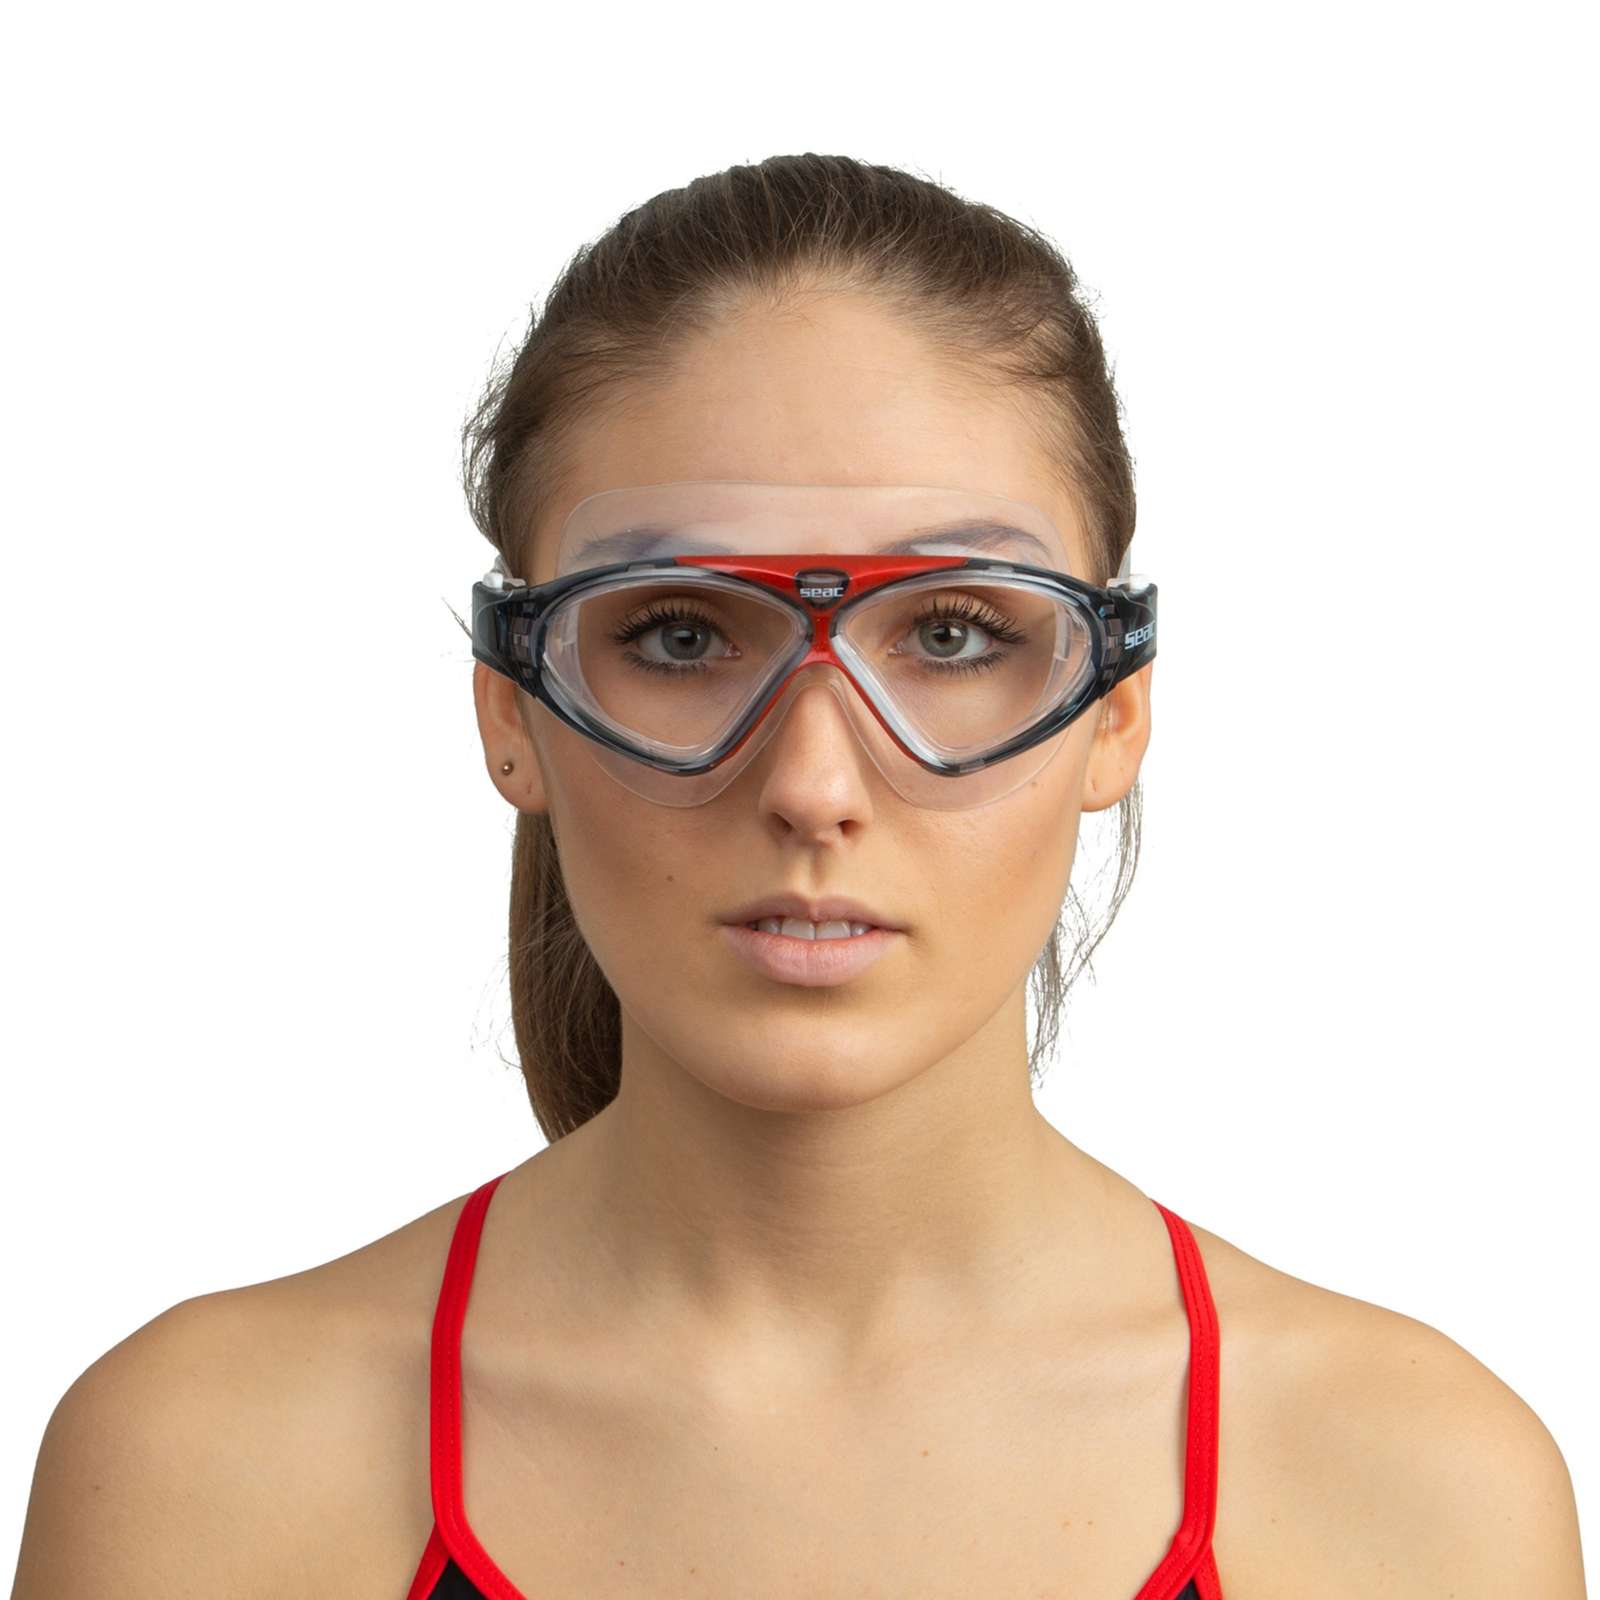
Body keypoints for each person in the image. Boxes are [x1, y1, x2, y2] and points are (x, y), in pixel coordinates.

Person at [12, 153, 1584, 1600]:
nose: (814, 785)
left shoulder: (1421, 1500)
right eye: (679, 633)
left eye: (954, 632)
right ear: (510, 713)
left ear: (1116, 713)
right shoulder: (194, 1480)